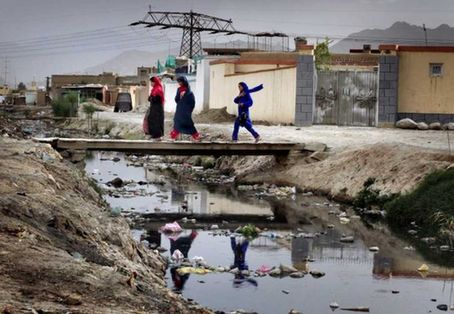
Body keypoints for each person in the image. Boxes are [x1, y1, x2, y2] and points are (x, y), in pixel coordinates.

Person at [170, 76, 200, 141]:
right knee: (177, 121)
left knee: (187, 122)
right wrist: (179, 100)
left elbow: (192, 102)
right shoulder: (179, 89)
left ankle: (195, 135)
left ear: (184, 82)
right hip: (180, 109)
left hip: (186, 110)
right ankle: (174, 136)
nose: (179, 83)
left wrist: (189, 109)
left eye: (180, 82)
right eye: (178, 82)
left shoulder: (189, 92)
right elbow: (176, 99)